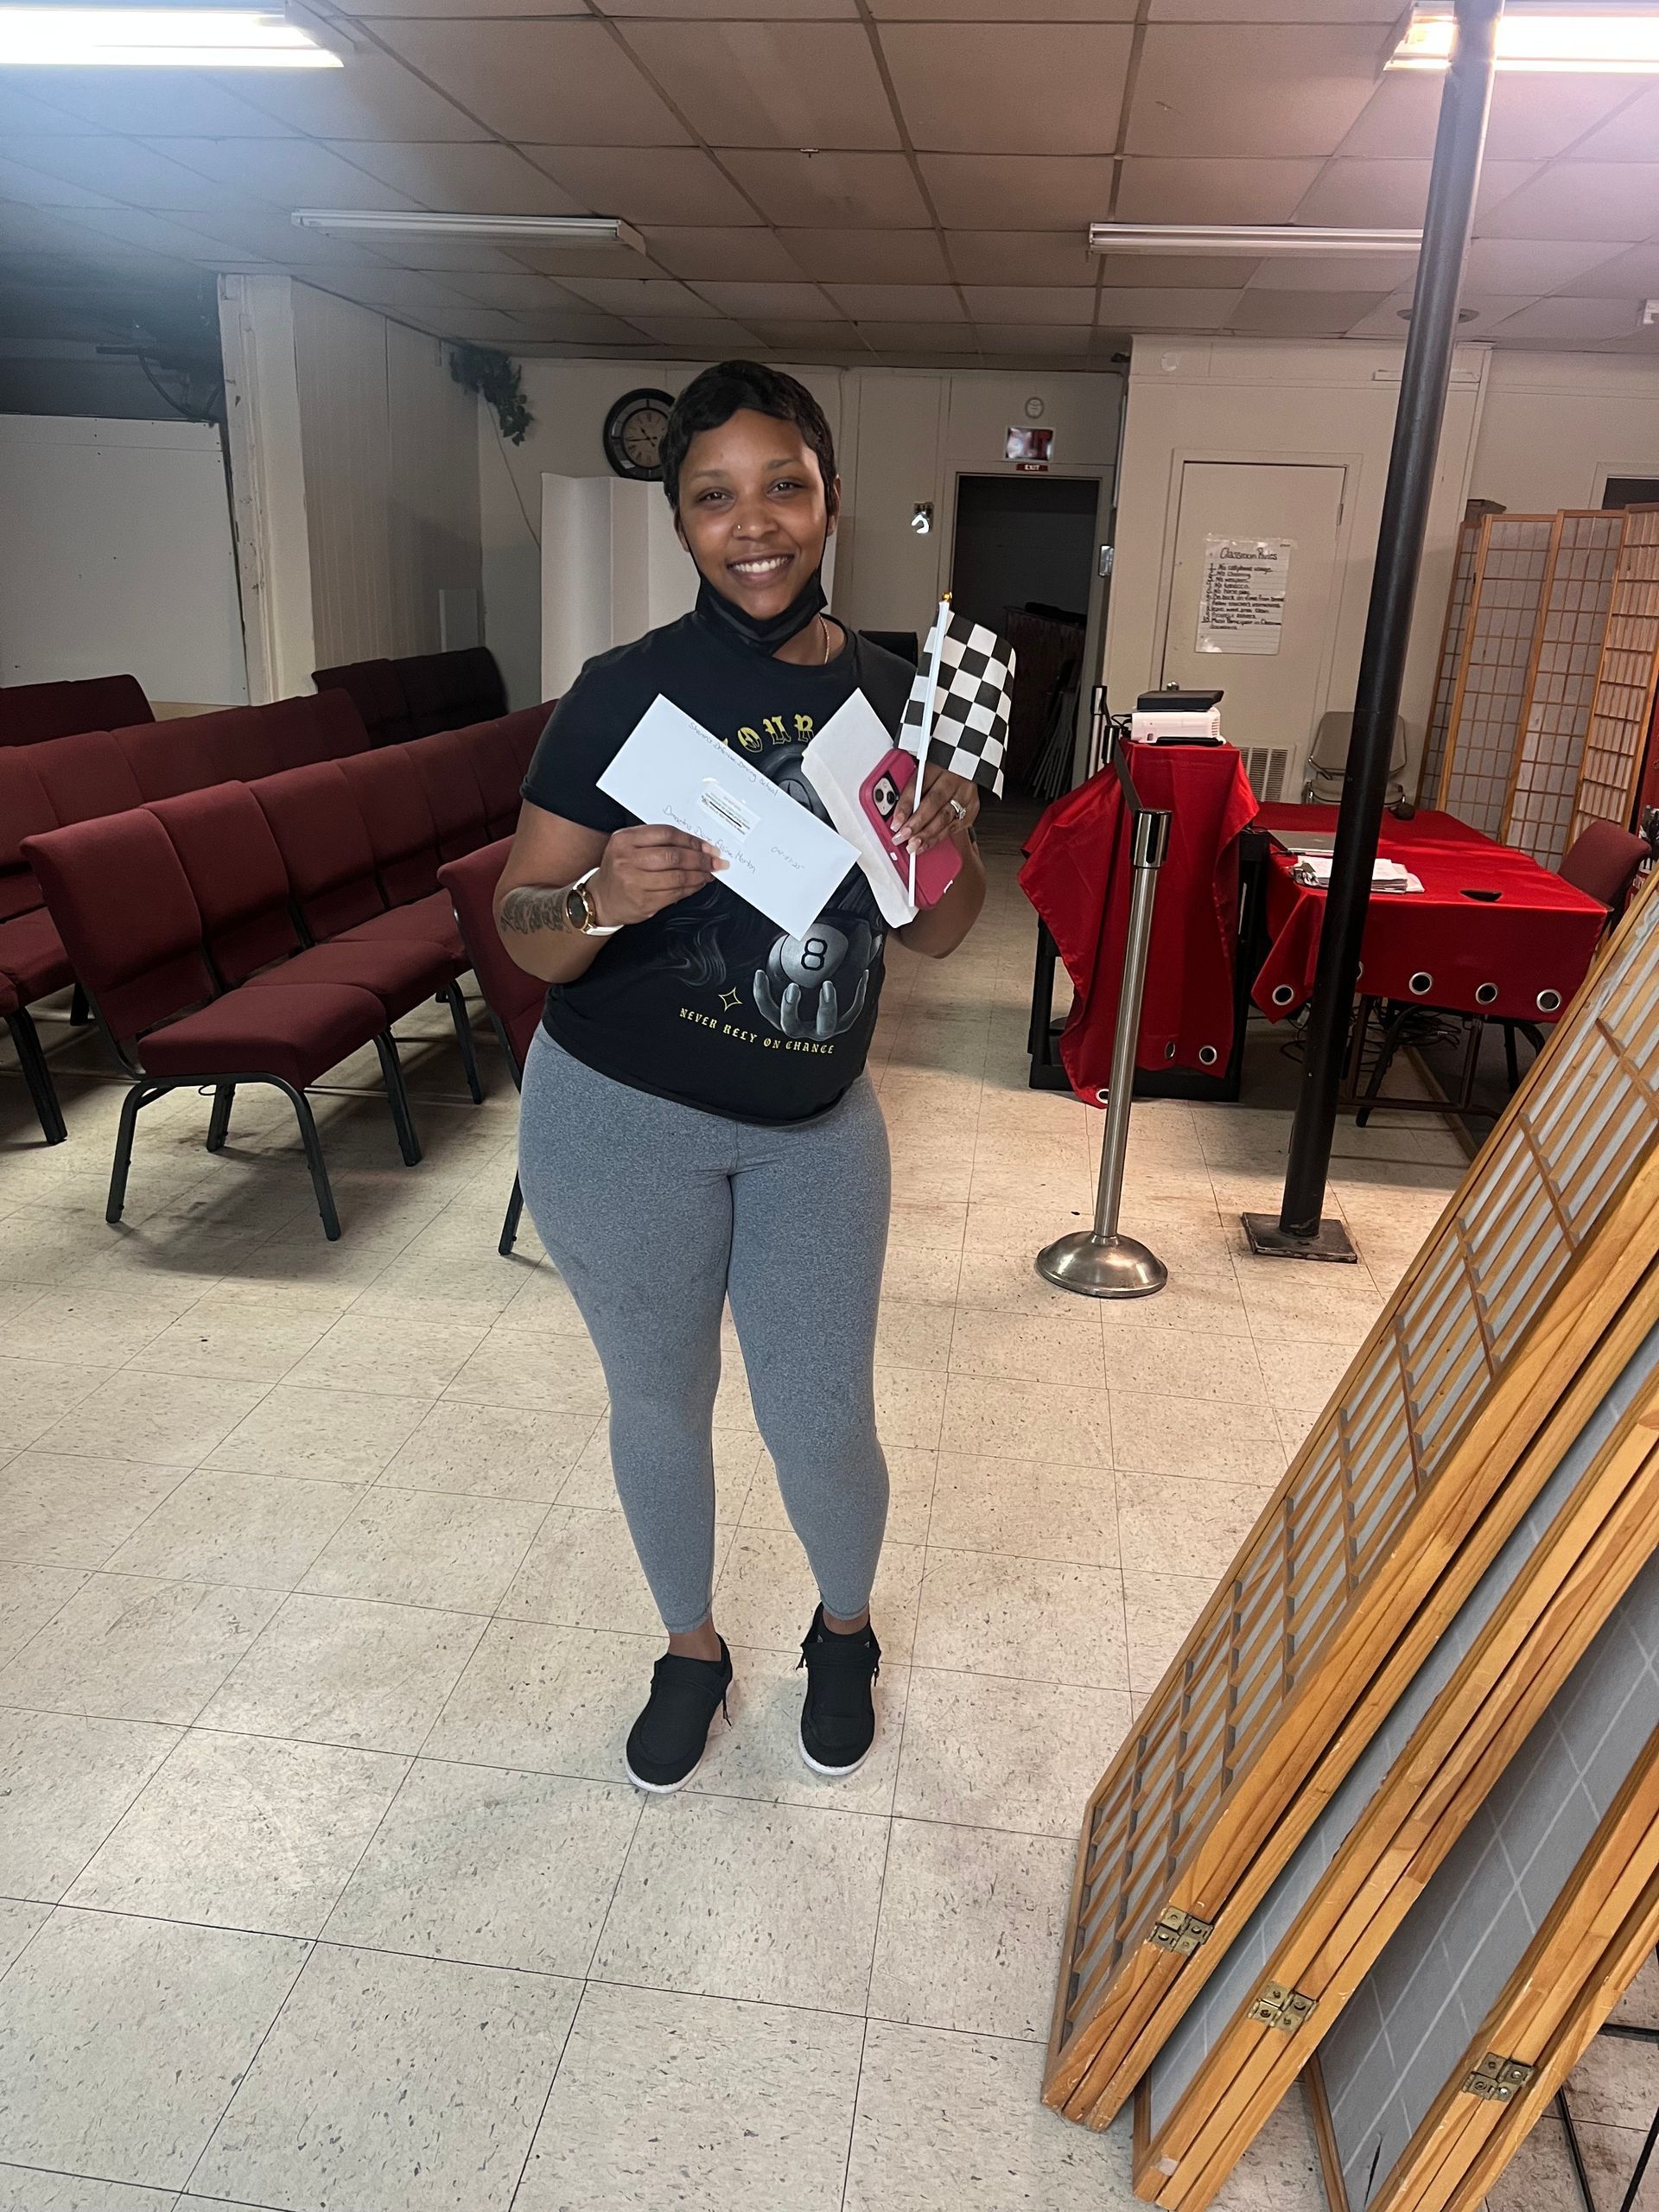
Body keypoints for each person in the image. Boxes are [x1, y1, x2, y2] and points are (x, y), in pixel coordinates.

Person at [494, 361, 986, 1792]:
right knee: (658, 1397)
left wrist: (942, 833)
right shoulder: (620, 695)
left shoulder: (895, 697)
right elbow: (527, 937)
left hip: (811, 1127)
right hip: (618, 1118)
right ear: (682, 522)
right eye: (715, 495)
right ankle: (691, 1647)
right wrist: (602, 898)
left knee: (821, 1412)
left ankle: (844, 1631)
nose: (752, 521)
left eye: (783, 485)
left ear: (829, 500)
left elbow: (944, 932)